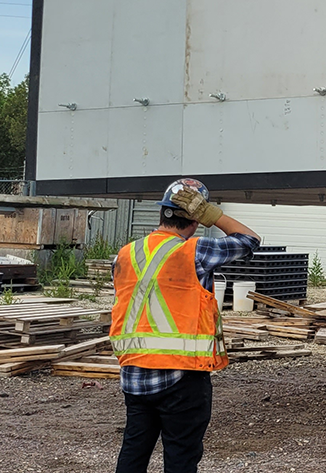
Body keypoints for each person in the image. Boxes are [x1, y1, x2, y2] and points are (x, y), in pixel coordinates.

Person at [110, 178, 259, 473]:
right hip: (182, 375)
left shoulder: (124, 255)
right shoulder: (195, 251)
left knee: (133, 452)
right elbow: (249, 240)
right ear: (195, 219)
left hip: (134, 374)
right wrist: (214, 216)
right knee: (180, 458)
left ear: (162, 213)